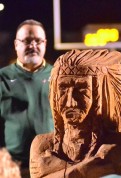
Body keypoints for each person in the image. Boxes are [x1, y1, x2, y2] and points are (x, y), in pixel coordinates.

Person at [29, 49, 121, 178]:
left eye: (82, 89)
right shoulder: (42, 144)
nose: (70, 102)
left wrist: (58, 168)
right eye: (62, 89)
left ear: (98, 95)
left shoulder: (120, 144)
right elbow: (100, 168)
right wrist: (87, 168)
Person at [0, 19, 53, 177]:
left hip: (51, 164)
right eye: (27, 41)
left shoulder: (58, 76)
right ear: (16, 45)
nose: (33, 46)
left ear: (45, 43)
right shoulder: (2, 77)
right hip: (12, 166)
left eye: (38, 41)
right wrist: (2, 153)